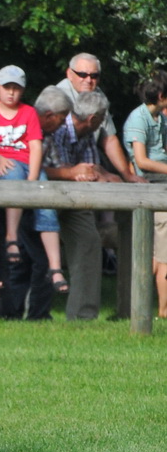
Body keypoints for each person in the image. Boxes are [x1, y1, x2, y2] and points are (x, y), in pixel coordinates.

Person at [0, 67, 64, 293]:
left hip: (28, 163)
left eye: (16, 89)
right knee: (12, 176)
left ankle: (56, 267)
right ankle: (11, 237)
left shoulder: (29, 112)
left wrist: (33, 178)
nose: (11, 93)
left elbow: (35, 146)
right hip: (5, 162)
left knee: (46, 201)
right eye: (7, 88)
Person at [46, 89, 124, 320]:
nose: (102, 124)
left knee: (89, 242)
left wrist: (103, 175)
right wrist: (72, 173)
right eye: (101, 120)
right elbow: (43, 168)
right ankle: (35, 312)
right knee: (36, 249)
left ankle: (83, 315)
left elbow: (92, 168)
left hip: (75, 200)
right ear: (93, 119)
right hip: (44, 197)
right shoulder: (58, 128)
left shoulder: (87, 133)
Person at [120, 70, 167, 317]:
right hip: (152, 184)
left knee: (161, 253)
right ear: (161, 96)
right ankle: (158, 309)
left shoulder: (160, 118)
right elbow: (142, 161)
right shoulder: (138, 119)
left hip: (162, 180)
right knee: (163, 252)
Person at [54, 53, 144, 182]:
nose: (89, 80)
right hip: (58, 166)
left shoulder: (98, 95)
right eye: (83, 75)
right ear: (69, 74)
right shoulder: (58, 97)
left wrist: (127, 175)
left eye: (94, 76)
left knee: (113, 178)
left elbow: (109, 139)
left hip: (87, 159)